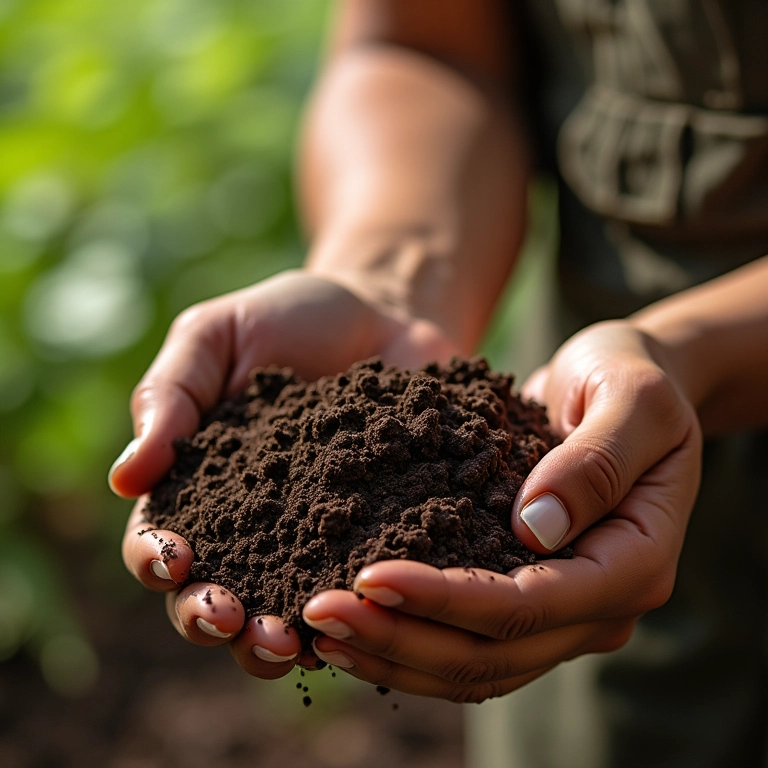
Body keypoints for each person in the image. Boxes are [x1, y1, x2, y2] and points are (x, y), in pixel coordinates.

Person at [109, 2, 768, 766]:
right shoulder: (534, 478)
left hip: (635, 411)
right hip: (599, 445)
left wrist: (700, 352)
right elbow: (427, 47)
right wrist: (387, 280)